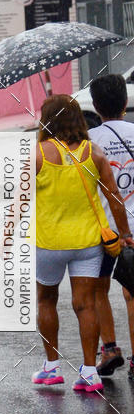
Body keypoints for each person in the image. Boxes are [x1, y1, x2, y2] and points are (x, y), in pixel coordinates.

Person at [33, 95, 134, 393]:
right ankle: (90, 372)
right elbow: (114, 197)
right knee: (85, 304)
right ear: (78, 118)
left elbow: (19, 200)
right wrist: (125, 234)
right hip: (89, 242)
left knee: (46, 300)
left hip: (49, 242)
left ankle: (51, 368)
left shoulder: (35, 155)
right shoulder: (95, 153)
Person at [88, 74, 134, 378]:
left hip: (105, 229)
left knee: (97, 289)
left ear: (95, 106)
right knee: (133, 294)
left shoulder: (90, 141)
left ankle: (110, 349)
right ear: (126, 103)